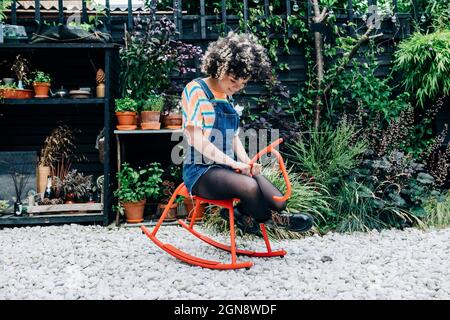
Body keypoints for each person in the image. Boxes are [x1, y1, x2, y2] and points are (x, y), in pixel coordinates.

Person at [181, 32, 313, 235]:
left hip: (227, 167)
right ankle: (272, 221)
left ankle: (243, 214)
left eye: (242, 84)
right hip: (201, 171)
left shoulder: (227, 96)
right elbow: (197, 140)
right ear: (219, 67)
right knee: (250, 187)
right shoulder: (196, 90)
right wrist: (233, 163)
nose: (236, 88)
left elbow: (233, 137)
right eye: (233, 80)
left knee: (278, 200)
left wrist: (246, 162)